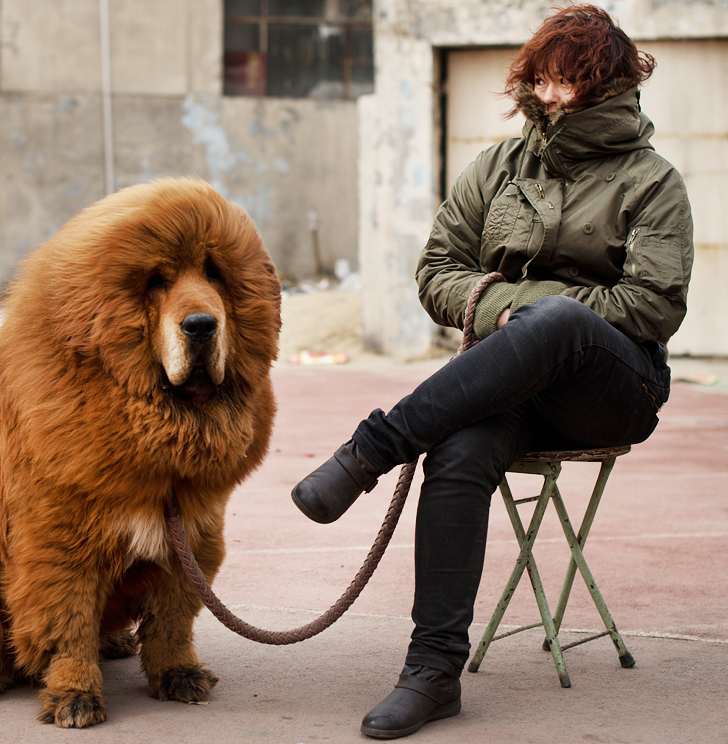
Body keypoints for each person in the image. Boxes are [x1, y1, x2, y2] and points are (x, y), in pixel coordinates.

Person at [291, 5, 692, 739]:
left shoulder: (652, 182)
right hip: (509, 385)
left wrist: (531, 310)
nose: (549, 94)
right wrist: (510, 316)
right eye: (540, 77)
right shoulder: (497, 168)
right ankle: (433, 673)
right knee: (460, 448)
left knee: (563, 322)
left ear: (609, 84)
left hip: (612, 390)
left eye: (568, 80)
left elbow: (652, 305)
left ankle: (372, 449)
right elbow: (436, 273)